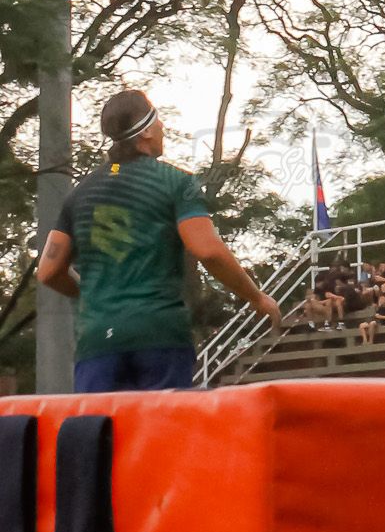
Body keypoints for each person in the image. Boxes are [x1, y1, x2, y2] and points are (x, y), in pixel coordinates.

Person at [36, 90, 280, 391]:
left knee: (97, 435)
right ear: (147, 132)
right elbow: (208, 251)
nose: (163, 126)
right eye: (158, 118)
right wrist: (257, 298)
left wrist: (92, 295)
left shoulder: (79, 193)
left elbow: (48, 271)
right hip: (159, 335)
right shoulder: (175, 182)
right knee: (160, 436)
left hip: (97, 339)